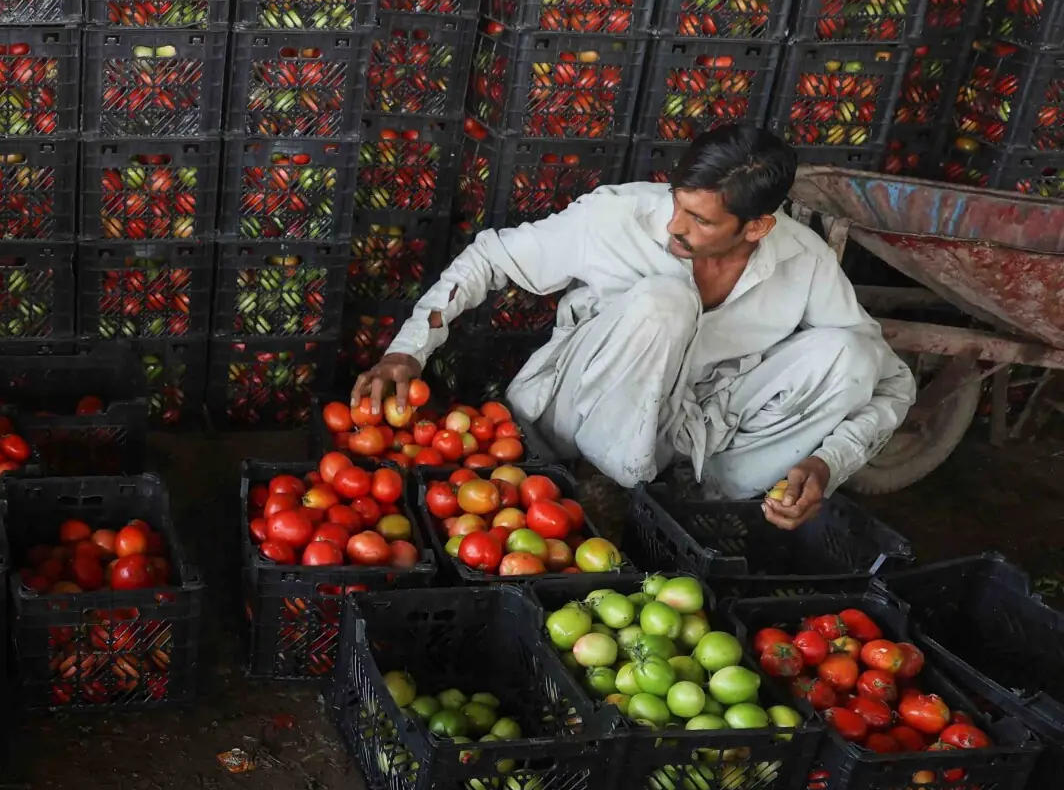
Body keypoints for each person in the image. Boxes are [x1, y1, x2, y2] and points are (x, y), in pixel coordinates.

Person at [352, 124, 916, 529]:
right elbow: (490, 257)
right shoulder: (618, 215)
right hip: (579, 417)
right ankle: (602, 491)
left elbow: (892, 382)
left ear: (757, 227)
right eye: (677, 203)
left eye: (700, 220)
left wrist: (828, 461)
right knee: (665, 300)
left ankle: (712, 514)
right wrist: (408, 350)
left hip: (690, 438)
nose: (674, 226)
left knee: (853, 355)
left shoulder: (804, 258)